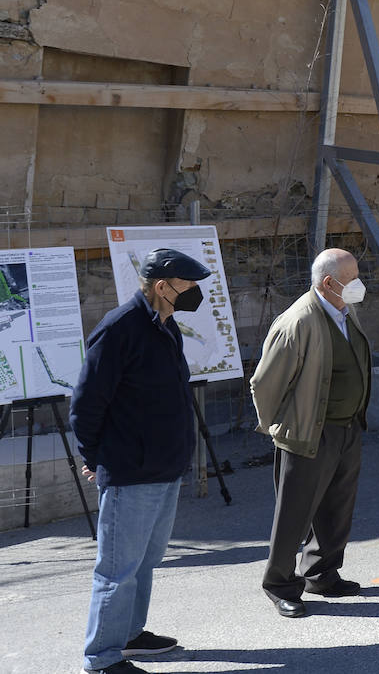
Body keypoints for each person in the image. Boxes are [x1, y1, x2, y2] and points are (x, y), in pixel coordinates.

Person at [70, 248, 210, 674]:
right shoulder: (119, 329)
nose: (196, 293)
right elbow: (86, 404)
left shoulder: (166, 326)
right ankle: (102, 658)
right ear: (162, 286)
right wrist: (95, 457)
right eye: (188, 285)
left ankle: (129, 635)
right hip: (131, 470)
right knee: (117, 569)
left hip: (164, 467)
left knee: (145, 562)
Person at [250, 248, 370, 618]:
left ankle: (322, 573)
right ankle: (280, 584)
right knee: (295, 513)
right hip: (308, 432)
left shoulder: (346, 312)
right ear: (329, 283)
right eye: (351, 278)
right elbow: (265, 383)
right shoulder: (298, 321)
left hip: (346, 428)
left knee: (337, 508)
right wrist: (279, 428)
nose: (359, 284)